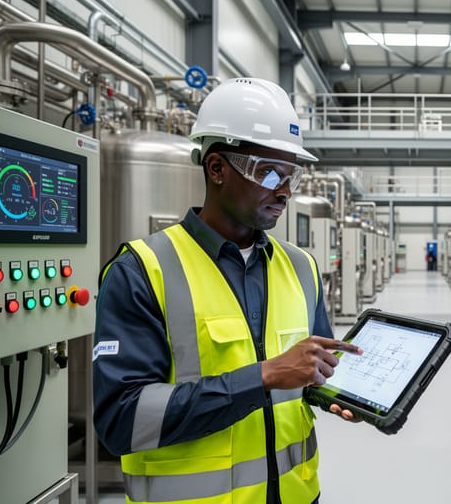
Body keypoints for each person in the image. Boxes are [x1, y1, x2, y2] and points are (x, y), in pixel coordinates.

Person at [92, 78, 362, 504]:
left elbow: (311, 371)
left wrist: (336, 396)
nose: (284, 191)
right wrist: (263, 377)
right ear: (217, 169)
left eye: (291, 175)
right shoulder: (142, 271)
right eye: (269, 172)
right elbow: (121, 419)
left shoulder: (302, 268)